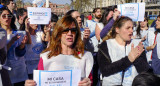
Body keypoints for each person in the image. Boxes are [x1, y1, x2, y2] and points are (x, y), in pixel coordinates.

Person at [25, 15, 93, 86]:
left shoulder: (85, 56)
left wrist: (88, 83)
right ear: (59, 33)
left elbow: (90, 80)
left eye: (73, 30)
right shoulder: (46, 58)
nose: (69, 34)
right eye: (65, 30)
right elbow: (38, 82)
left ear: (76, 33)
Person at [98, 16, 150, 86]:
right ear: (117, 30)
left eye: (132, 28)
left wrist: (136, 59)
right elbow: (105, 70)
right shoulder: (106, 45)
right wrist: (128, 59)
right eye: (128, 28)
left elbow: (145, 71)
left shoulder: (137, 44)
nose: (131, 31)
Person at [0, 7, 28, 86]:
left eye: (9, 16)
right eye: (3, 16)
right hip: (5, 74)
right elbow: (2, 53)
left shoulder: (19, 33)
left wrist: (22, 45)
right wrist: (11, 42)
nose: (7, 18)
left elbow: (20, 54)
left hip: (19, 73)